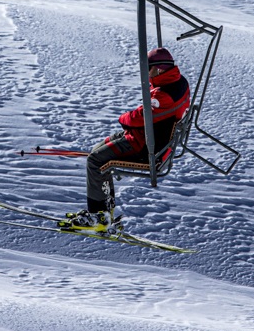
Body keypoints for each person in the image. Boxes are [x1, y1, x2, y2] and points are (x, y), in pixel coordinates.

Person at [59, 47, 190, 232]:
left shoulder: (163, 96)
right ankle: (105, 211)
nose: (145, 73)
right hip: (148, 136)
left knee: (95, 161)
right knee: (97, 151)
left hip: (146, 147)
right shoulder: (179, 82)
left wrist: (123, 118)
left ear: (159, 69)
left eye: (148, 69)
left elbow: (139, 117)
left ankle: (99, 217)